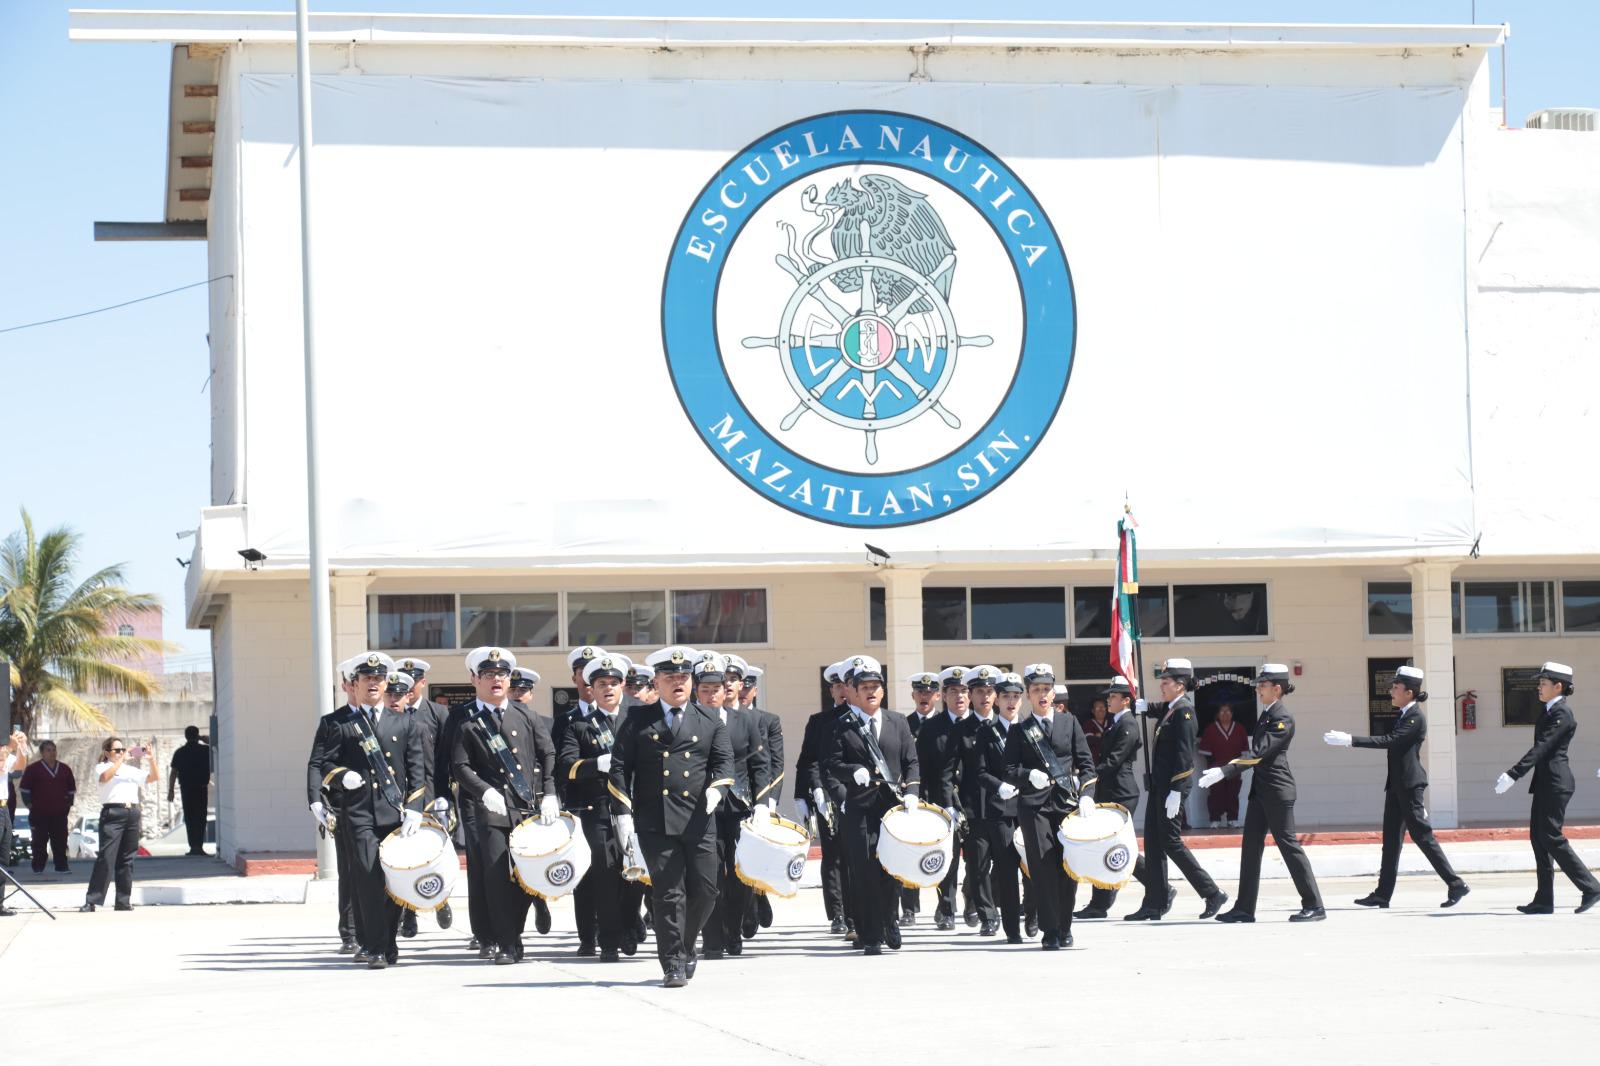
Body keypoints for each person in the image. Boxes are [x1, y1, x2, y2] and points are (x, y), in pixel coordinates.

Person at [607, 644, 733, 987]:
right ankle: (673, 963)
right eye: (669, 677)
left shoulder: (709, 719)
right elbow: (620, 768)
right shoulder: (636, 719)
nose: (678, 683)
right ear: (657, 682)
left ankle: (687, 943)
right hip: (655, 820)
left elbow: (724, 763)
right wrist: (623, 812)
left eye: (683, 677)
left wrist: (716, 789)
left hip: (699, 818)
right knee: (668, 893)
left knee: (706, 891)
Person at [310, 653, 428, 968]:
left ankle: (388, 942)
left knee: (393, 883)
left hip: (394, 816)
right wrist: (339, 776)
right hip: (358, 814)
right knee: (367, 879)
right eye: (366, 679)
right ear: (356, 684)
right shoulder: (339, 723)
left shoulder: (404, 722)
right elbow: (322, 764)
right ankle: (374, 946)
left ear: (386, 682)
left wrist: (415, 808)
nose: (373, 684)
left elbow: (417, 770)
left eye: (378, 679)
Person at [1324, 666, 1470, 909]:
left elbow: (1390, 741)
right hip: (1396, 786)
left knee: (1423, 837)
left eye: (1395, 687)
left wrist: (1351, 740)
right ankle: (1382, 894)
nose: (1391, 691)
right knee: (1391, 841)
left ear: (1409, 692)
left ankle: (1456, 884)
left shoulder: (1415, 718)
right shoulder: (1403, 714)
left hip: (1410, 786)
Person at [452, 647, 559, 964]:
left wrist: (550, 793)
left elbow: (547, 754)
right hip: (491, 810)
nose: (496, 680)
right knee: (497, 876)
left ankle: (515, 932)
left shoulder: (526, 715)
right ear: (475, 680)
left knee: (525, 873)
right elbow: (460, 766)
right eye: (488, 675)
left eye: (501, 675)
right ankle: (506, 943)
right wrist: (483, 791)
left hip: (527, 808)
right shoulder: (468, 721)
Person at [1201, 664, 1324, 923]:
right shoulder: (1267, 714)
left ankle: (1314, 904)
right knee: (1250, 847)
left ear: (1276, 689)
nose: (1258, 689)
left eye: (1263, 685)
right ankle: (1245, 908)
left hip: (1277, 791)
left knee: (1289, 846)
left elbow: (1258, 755)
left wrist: (1225, 771)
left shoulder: (1282, 718)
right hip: (1261, 791)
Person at [823, 654, 921, 956]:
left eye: (876, 686)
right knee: (863, 869)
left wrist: (913, 793)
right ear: (852, 689)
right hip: (859, 808)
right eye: (864, 686)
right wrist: (853, 771)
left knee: (890, 868)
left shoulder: (898, 721)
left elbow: (911, 762)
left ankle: (890, 918)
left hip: (891, 807)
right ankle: (870, 934)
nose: (871, 692)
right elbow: (831, 764)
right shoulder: (842, 724)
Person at [1492, 662, 1600, 914]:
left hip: (1555, 783)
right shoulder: (1549, 711)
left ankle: (1591, 887)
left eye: (1543, 683)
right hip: (1545, 783)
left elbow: (1541, 749)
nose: (1538, 687)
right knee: (1538, 839)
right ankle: (1544, 899)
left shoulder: (1562, 714)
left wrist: (1513, 774)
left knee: (1551, 837)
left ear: (1558, 686)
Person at [1127, 658, 1228, 921]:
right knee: (1153, 843)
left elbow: (1185, 757)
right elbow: (1161, 709)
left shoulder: (1185, 712)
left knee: (1170, 843)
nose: (1161, 684)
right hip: (1159, 788)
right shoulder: (1172, 708)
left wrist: (1177, 791)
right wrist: (1145, 707)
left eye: (1166, 681)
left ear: (1180, 685)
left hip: (1172, 789)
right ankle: (1155, 902)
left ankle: (1212, 893)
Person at [1006, 663, 1095, 950]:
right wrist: (1026, 775)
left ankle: (1066, 926)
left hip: (1066, 804)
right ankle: (1050, 930)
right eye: (1036, 690)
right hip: (1034, 807)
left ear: (1053, 692)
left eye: (1046, 689)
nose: (1042, 695)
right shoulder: (1019, 729)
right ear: (1028, 695)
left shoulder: (1070, 723)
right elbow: (1008, 768)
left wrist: (1087, 795)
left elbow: (1087, 764)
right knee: (1043, 867)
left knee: (1068, 867)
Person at [560, 653, 641, 962]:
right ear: (590, 688)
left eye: (613, 683)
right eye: (601, 684)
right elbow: (567, 766)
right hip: (599, 809)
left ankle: (630, 925)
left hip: (634, 807)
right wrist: (597, 764)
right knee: (606, 875)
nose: (608, 688)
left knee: (635, 873)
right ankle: (608, 940)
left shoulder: (637, 719)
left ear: (622, 686)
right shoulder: (577, 724)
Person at [694, 652, 771, 960]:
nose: (721, 688)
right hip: (705, 808)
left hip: (739, 807)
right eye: (714, 684)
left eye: (725, 682)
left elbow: (760, 765)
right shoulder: (691, 719)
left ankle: (733, 930)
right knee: (709, 874)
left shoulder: (746, 721)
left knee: (739, 874)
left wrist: (763, 803)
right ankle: (712, 939)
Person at [1075, 676, 1142, 919]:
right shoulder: (1116, 722)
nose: (1108, 700)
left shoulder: (1128, 725)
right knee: (1108, 846)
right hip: (1112, 791)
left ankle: (1160, 888)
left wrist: (1087, 776)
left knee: (1115, 847)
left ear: (1125, 701)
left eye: (1113, 696)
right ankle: (1100, 903)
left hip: (1121, 792)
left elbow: (1113, 762)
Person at [964, 671, 1025, 940]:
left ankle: (1029, 911)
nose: (1010, 702)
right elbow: (964, 771)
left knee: (1022, 866)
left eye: (1015, 697)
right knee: (982, 867)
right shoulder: (976, 731)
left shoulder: (1026, 729)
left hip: (1019, 808)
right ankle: (990, 916)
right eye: (1006, 696)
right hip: (980, 808)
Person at [796, 659, 852, 936]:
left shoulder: (861, 718)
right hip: (827, 797)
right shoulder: (819, 722)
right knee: (833, 856)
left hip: (858, 795)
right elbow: (807, 760)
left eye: (846, 684)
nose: (842, 690)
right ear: (831, 690)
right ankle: (838, 913)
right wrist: (808, 792)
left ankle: (859, 909)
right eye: (837, 685)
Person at [916, 665, 971, 930]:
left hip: (975, 804)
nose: (959, 696)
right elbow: (923, 769)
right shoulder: (931, 728)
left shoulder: (982, 723)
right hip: (942, 804)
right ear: (944, 695)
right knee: (947, 860)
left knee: (978, 860)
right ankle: (947, 908)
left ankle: (973, 901)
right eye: (953, 691)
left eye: (963, 691)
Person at [80, 736, 158, 913]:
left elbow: (153, 777)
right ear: (107, 753)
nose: (121, 753)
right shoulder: (102, 767)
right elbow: (104, 778)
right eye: (117, 750)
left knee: (127, 859)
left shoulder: (129, 770)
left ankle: (123, 900)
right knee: (106, 857)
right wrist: (122, 759)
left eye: (123, 750)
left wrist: (151, 760)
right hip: (113, 812)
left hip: (132, 812)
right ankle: (92, 900)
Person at [505, 665, 553, 938]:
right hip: (510, 801)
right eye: (513, 689)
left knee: (537, 857)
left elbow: (549, 761)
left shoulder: (544, 722)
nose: (517, 694)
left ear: (531, 694)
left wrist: (550, 796)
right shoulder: (498, 722)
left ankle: (540, 900)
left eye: (523, 690)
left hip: (536, 801)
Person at [899, 670, 941, 925]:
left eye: (929, 692)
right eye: (919, 692)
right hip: (911, 794)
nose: (924, 696)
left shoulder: (943, 724)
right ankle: (909, 908)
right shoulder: (903, 724)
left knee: (940, 848)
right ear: (913, 695)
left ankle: (945, 908)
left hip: (939, 792)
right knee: (909, 850)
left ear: (937, 695)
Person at [19, 739, 75, 873]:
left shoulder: (64, 769)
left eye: (54, 750)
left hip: (59, 813)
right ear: (42, 753)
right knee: (39, 841)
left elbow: (71, 789)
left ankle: (61, 866)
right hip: (39, 813)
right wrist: (30, 805)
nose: (52, 753)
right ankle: (38, 867)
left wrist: (68, 805)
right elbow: (24, 790)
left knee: (60, 841)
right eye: (48, 750)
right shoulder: (33, 769)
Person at [1198, 704, 1249, 826]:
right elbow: (1206, 752)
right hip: (1216, 768)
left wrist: (1237, 766)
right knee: (1216, 794)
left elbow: (1245, 752)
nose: (1225, 713)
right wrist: (1214, 766)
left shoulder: (1239, 728)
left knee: (1233, 793)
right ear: (1217, 714)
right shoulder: (1210, 729)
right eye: (1222, 711)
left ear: (1232, 713)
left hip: (1234, 768)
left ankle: (1232, 819)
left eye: (1228, 711)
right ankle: (1215, 819)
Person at [166, 726, 211, 855]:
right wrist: (203, 739)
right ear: (197, 735)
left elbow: (173, 772)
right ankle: (199, 846)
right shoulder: (205, 749)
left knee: (190, 818)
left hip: (186, 789)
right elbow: (216, 744)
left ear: (185, 736)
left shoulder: (180, 752)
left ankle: (193, 847)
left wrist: (171, 790)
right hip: (201, 788)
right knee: (201, 817)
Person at [2, 730, 28, 873]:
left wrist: (22, 747)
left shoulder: (3, 752)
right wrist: (10, 748)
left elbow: (19, 766)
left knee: (3, 855)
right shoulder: (4, 752)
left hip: (3, 808)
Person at [1083, 698, 1109, 763]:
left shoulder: (1111, 723)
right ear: (1093, 711)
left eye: (1103, 707)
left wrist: (1100, 736)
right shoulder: (1088, 724)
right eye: (1097, 708)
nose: (1100, 710)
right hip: (1095, 762)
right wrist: (1107, 737)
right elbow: (1089, 740)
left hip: (1109, 761)